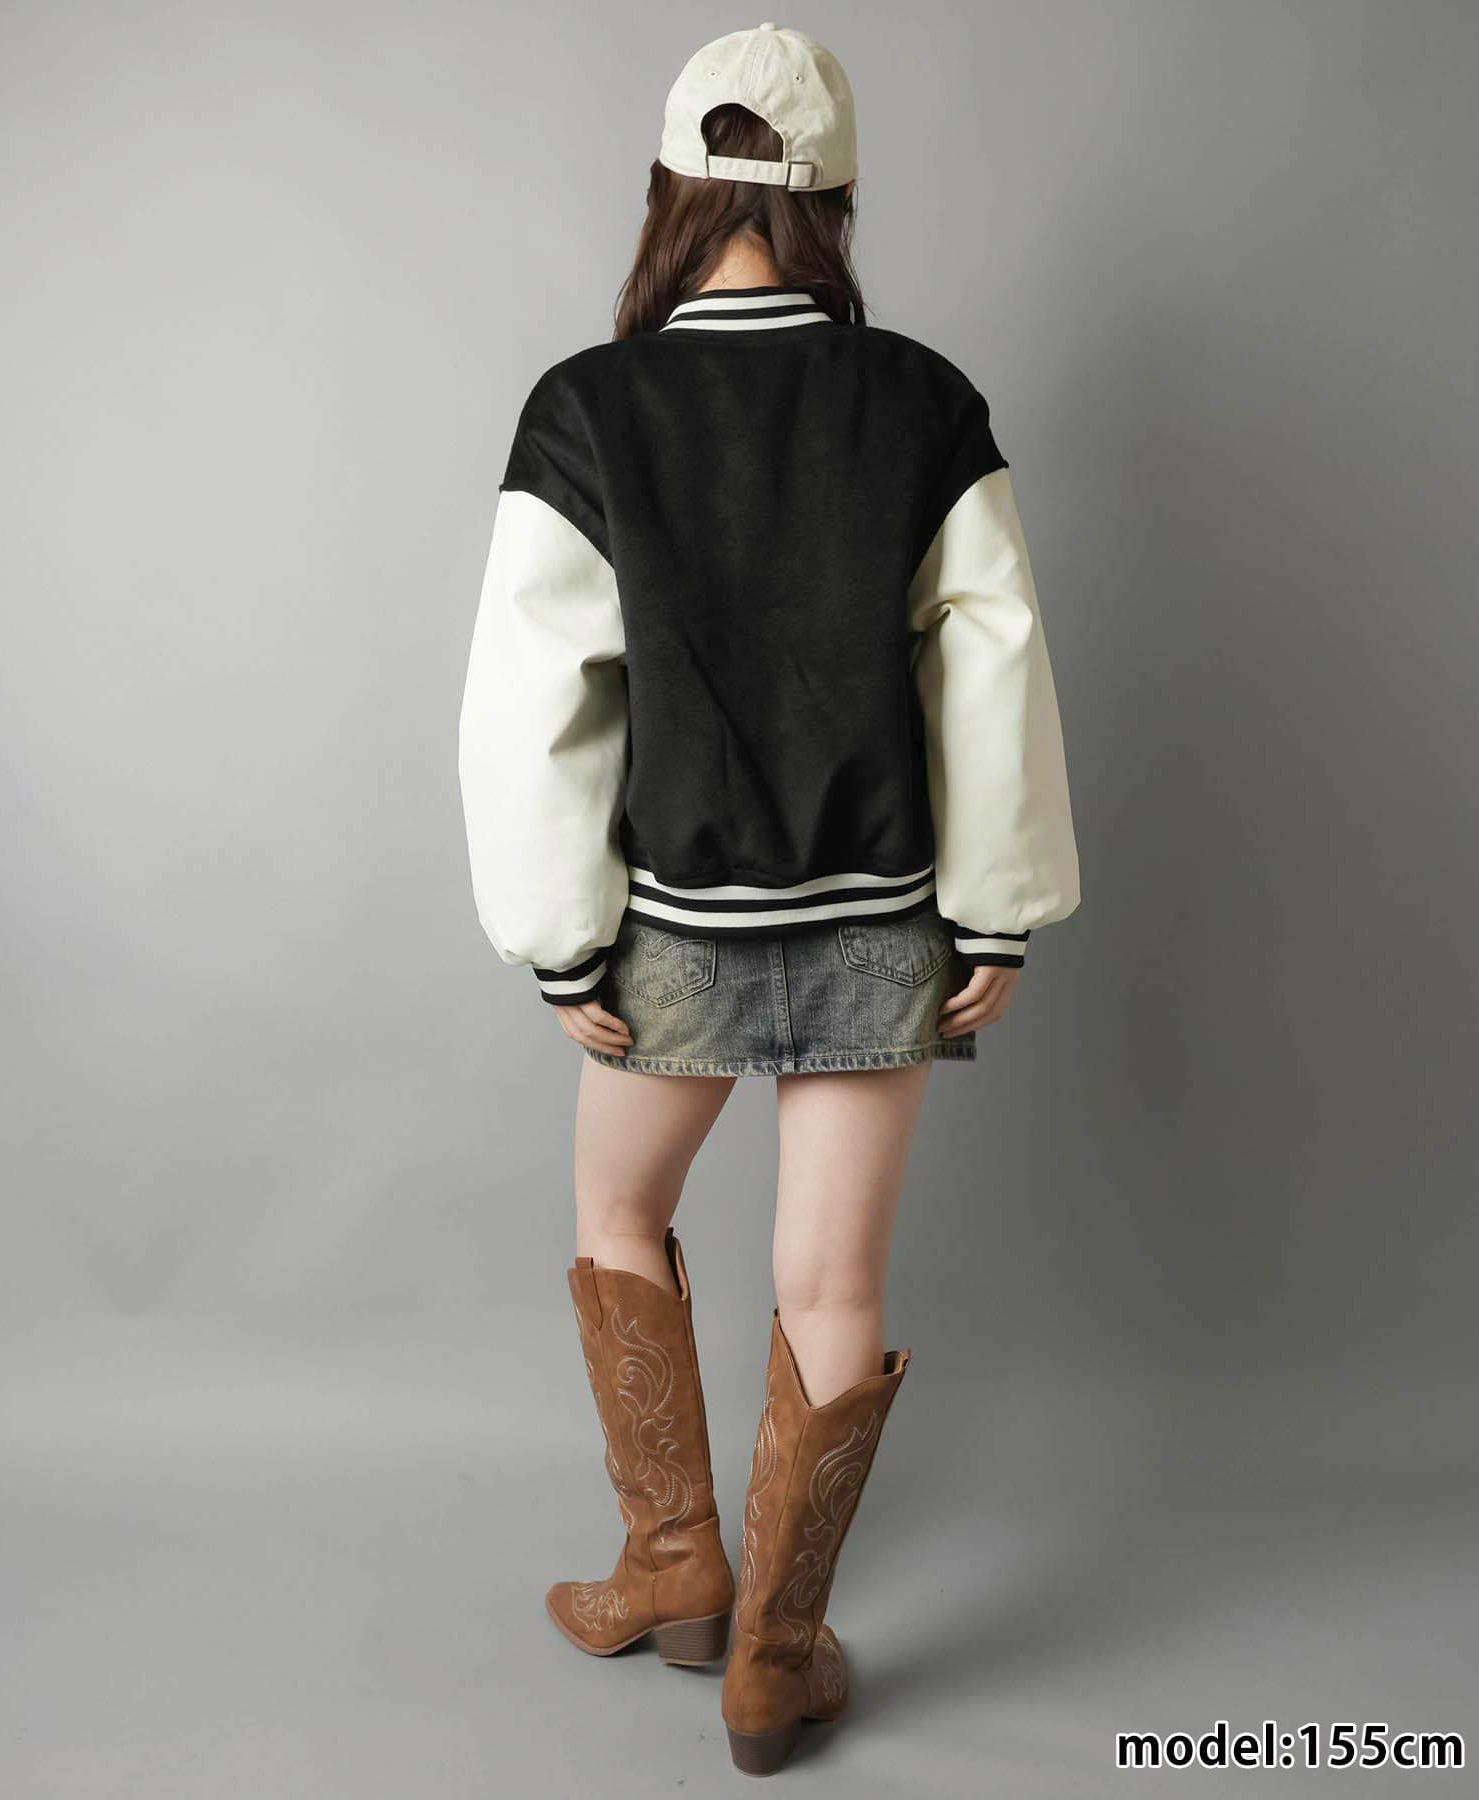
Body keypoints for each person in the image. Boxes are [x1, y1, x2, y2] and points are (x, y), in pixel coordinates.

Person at [458, 22, 1080, 1778]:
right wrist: (996, 912)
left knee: (615, 1209)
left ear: (673, 185)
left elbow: (532, 699)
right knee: (833, 1283)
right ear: (836, 198)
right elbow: (992, 670)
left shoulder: (590, 408)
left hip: (677, 923)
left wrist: (558, 939)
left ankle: (675, 1565)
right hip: (885, 918)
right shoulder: (922, 403)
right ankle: (775, 1664)